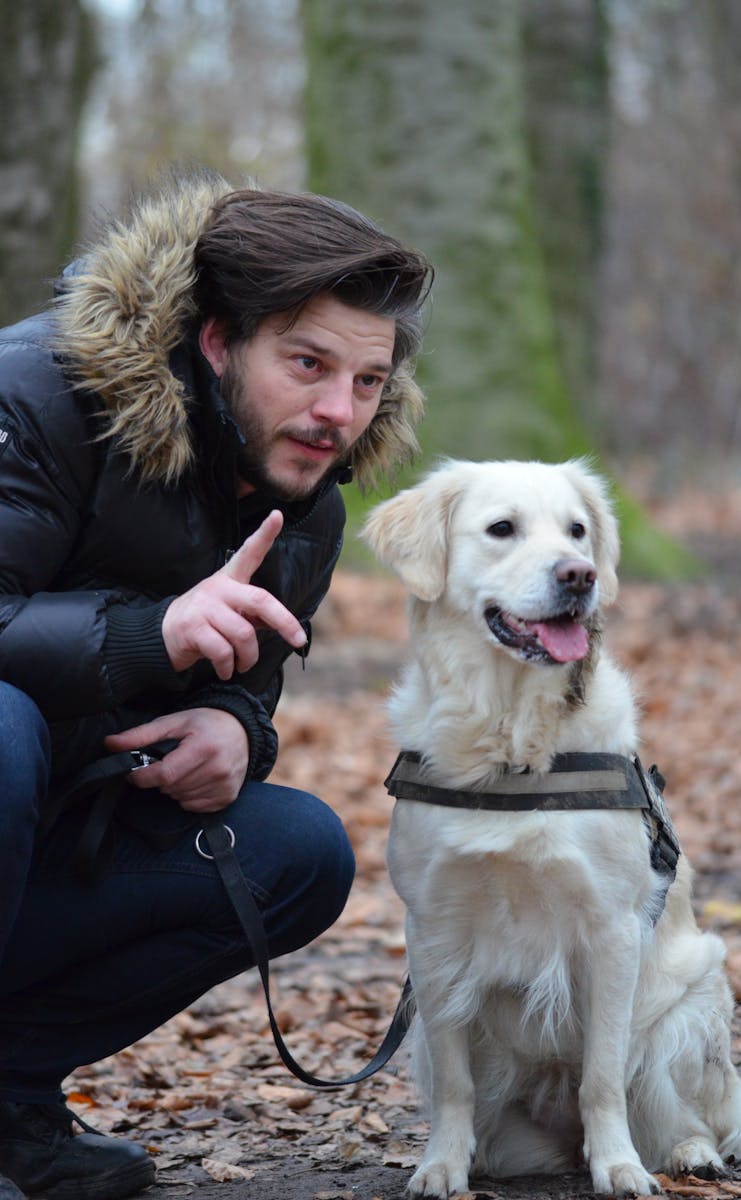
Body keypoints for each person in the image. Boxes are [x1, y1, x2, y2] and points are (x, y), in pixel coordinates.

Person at [0, 167, 432, 1200]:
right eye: (308, 364)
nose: (339, 412)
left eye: (368, 381)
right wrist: (153, 635)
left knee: (298, 851)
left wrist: (239, 732)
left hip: (68, 818)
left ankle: (10, 1100)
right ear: (215, 340)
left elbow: (250, 682)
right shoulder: (37, 392)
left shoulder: (307, 496)